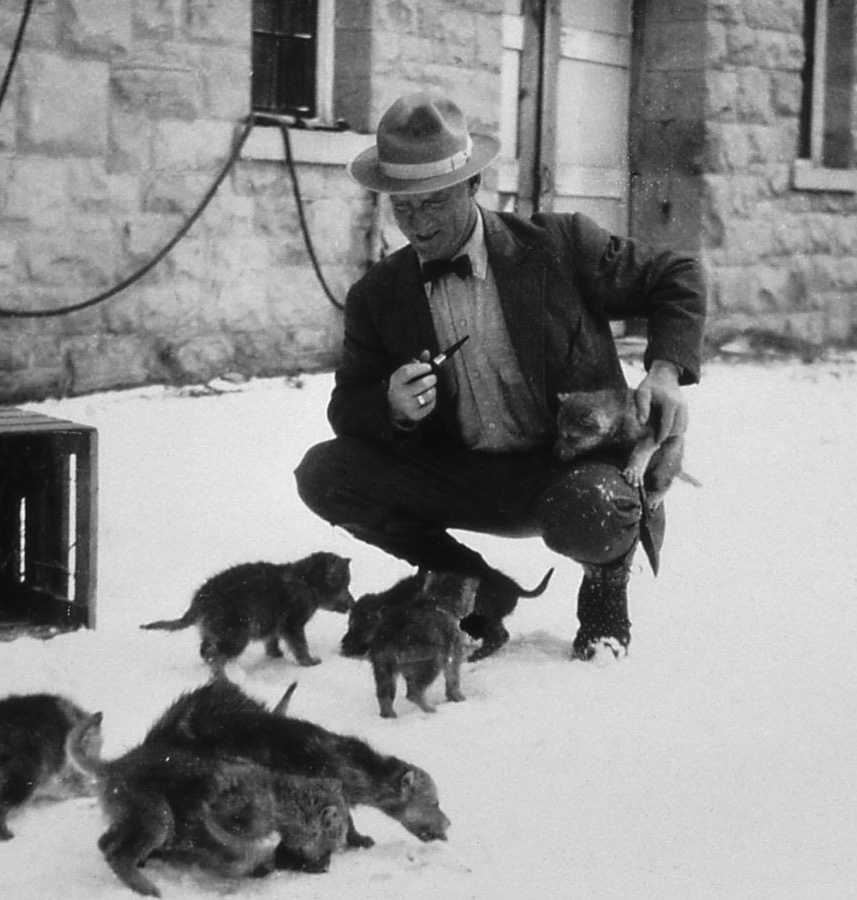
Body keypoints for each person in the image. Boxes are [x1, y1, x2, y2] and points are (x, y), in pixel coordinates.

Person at [293, 91, 705, 660]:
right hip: (456, 472)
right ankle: (469, 587)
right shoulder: (378, 296)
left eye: (432, 202)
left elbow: (677, 275)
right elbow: (346, 408)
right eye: (402, 206)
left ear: (471, 186)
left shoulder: (559, 247)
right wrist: (390, 406)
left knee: (601, 509)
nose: (416, 223)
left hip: (563, 471)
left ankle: (605, 600)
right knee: (323, 473)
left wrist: (664, 371)